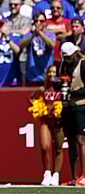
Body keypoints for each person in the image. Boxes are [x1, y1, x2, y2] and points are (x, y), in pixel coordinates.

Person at [28, 65, 64, 186]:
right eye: (50, 72)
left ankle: (56, 175)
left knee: (58, 148)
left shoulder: (61, 89)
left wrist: (59, 111)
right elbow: (30, 98)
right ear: (47, 74)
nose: (52, 74)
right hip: (46, 122)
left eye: (54, 72)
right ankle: (47, 173)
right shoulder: (42, 88)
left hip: (58, 123)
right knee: (45, 147)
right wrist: (39, 108)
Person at [60, 42, 85, 186]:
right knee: (71, 141)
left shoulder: (83, 65)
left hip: (81, 106)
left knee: (81, 140)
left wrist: (73, 92)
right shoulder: (64, 65)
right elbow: (62, 83)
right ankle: (74, 176)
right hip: (68, 107)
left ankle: (84, 175)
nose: (67, 59)